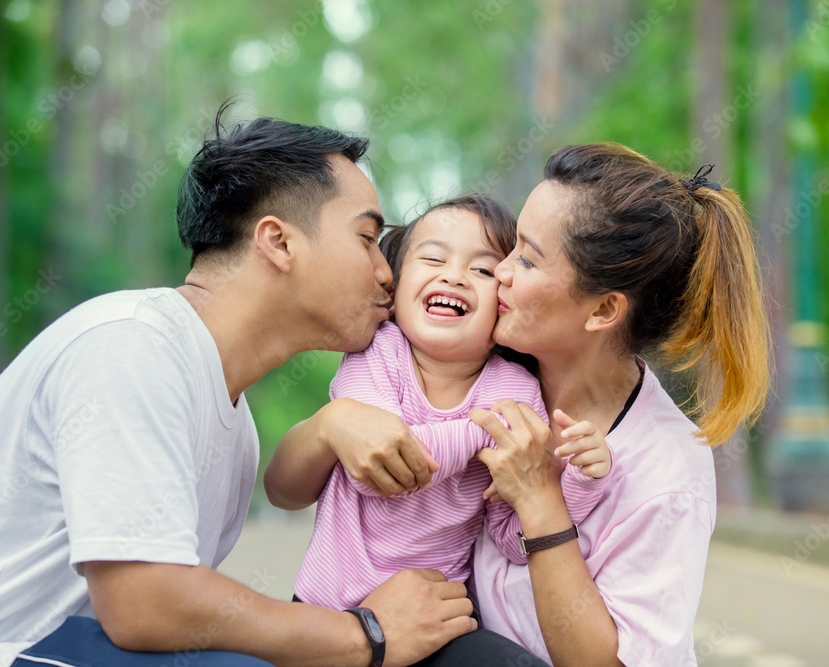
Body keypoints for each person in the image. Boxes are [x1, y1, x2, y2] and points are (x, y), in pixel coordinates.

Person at [0, 106, 482, 667]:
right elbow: (145, 603)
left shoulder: (233, 424)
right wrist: (365, 636)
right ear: (279, 243)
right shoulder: (134, 347)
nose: (386, 271)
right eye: (367, 237)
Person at [266, 144, 771, 666]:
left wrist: (545, 496)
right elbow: (311, 475)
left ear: (602, 310)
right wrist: (334, 420)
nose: (497, 272)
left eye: (525, 258)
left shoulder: (665, 469)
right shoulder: (483, 361)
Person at [271, 195, 612, 613]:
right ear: (395, 287)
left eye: (483, 269)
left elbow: (513, 539)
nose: (454, 277)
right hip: (327, 603)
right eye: (433, 260)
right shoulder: (376, 352)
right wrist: (479, 431)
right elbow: (380, 470)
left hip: (437, 613)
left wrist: (578, 480)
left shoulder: (518, 391)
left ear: (505, 302)